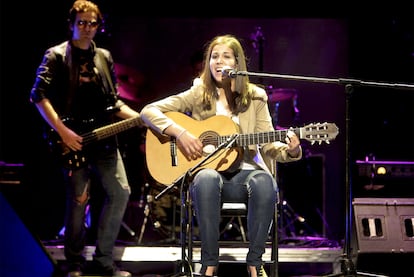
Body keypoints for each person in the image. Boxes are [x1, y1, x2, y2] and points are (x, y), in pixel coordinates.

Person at [140, 34, 302, 277]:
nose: (218, 61)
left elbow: (268, 144)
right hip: (209, 179)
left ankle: (255, 263)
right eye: (214, 56)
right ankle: (209, 264)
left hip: (244, 178)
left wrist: (292, 150)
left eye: (225, 56)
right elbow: (148, 111)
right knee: (206, 178)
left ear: (237, 64)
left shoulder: (256, 97)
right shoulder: (198, 93)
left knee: (265, 182)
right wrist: (182, 133)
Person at [29, 1, 142, 276]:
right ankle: (75, 261)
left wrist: (141, 117)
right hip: (71, 138)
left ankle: (104, 261)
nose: (88, 28)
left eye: (93, 24)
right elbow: (38, 96)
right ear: (72, 24)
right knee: (79, 199)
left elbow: (114, 102)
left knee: (121, 192)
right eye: (82, 23)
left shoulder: (104, 56)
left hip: (102, 137)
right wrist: (63, 133)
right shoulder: (55, 55)